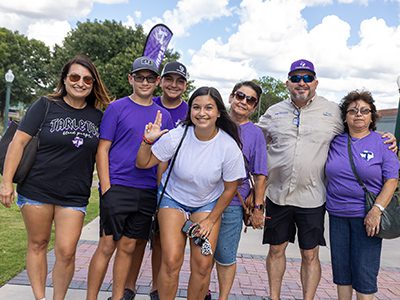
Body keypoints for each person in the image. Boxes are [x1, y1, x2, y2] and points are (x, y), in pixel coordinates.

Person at [257, 59, 397, 300]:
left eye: (307, 78)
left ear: (316, 82)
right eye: (296, 78)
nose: (302, 83)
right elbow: (255, 142)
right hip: (279, 194)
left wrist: (388, 139)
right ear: (288, 83)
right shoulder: (273, 112)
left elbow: (361, 135)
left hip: (313, 197)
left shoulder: (332, 112)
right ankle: (274, 297)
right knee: (276, 249)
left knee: (310, 254)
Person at [0, 54, 110, 300]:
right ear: (65, 79)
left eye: (87, 79)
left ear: (93, 84)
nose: (80, 83)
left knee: (67, 251)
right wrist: (6, 183)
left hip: (74, 194)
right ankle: (40, 297)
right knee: (37, 244)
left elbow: (107, 150)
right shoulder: (45, 105)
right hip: (36, 188)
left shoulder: (98, 117)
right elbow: (18, 144)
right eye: (74, 77)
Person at [136, 86, 246, 300]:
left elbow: (231, 188)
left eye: (208, 108)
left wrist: (210, 221)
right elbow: (143, 162)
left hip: (206, 205)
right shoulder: (178, 135)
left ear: (218, 113)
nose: (201, 113)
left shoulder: (228, 146)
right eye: (196, 107)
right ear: (190, 111)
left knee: (203, 265)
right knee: (171, 260)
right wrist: (147, 141)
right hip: (173, 200)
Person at [86, 56, 174, 300]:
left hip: (145, 191)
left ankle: (117, 297)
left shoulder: (163, 116)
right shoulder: (116, 108)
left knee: (128, 247)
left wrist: (158, 192)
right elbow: (103, 149)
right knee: (106, 246)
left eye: (149, 78)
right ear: (130, 78)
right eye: (139, 77)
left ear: (157, 81)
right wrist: (106, 188)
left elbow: (161, 159)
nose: (144, 82)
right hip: (118, 187)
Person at [124, 61, 189, 300]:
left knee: (162, 240)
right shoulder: (146, 102)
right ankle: (128, 286)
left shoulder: (190, 112)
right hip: (139, 179)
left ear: (185, 85)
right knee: (137, 238)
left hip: (171, 187)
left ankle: (156, 287)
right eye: (169, 79)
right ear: (160, 81)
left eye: (179, 81)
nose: (173, 85)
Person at [325, 90, 399, 300]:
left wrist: (377, 210)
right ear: (345, 116)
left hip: (367, 217)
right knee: (342, 274)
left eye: (365, 110)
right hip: (338, 216)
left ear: (372, 116)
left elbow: (392, 180)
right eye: (353, 110)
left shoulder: (384, 143)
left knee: (365, 276)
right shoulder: (335, 141)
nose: (358, 114)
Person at [214, 81, 267, 300]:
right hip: (203, 200)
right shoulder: (213, 120)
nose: (243, 102)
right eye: (240, 96)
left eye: (250, 99)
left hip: (233, 204)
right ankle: (201, 292)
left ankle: (223, 297)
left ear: (254, 107)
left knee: (225, 256)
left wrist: (258, 208)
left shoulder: (255, 134)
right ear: (231, 96)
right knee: (202, 256)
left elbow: (260, 174)